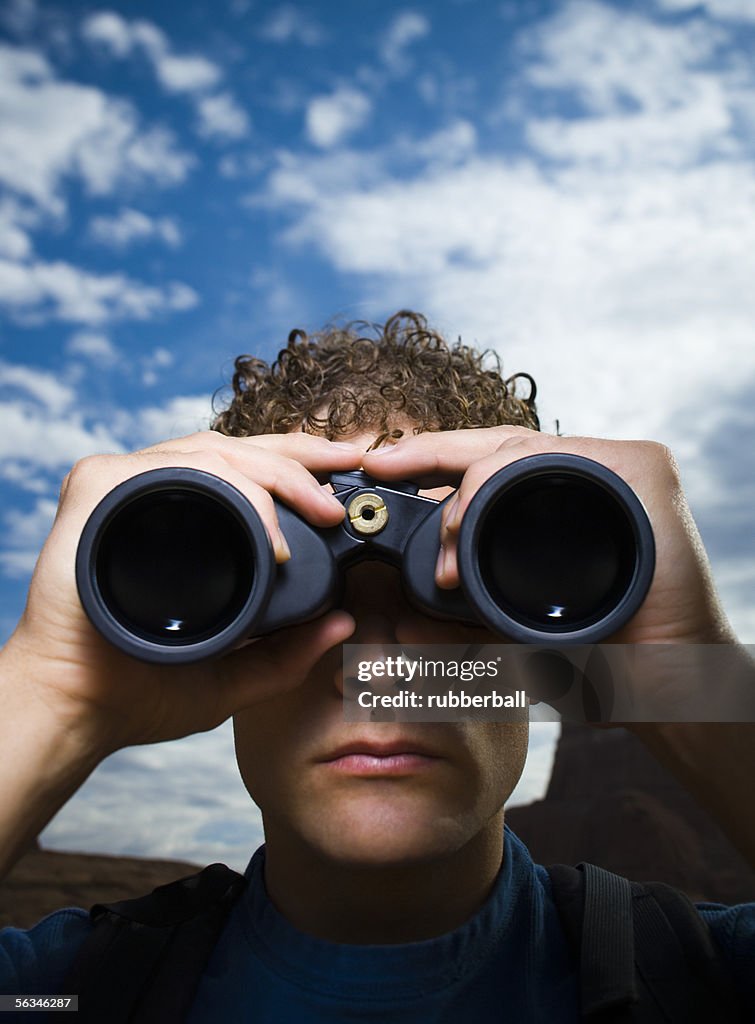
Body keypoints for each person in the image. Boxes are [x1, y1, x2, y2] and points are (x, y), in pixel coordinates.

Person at [0, 310, 753, 1022]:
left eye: (454, 594)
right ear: (221, 628)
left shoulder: (710, 979)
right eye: (293, 597)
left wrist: (683, 666)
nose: (380, 668)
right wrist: (53, 689)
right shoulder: (57, 995)